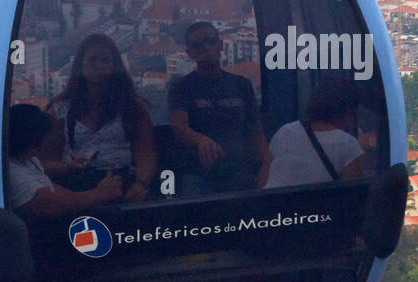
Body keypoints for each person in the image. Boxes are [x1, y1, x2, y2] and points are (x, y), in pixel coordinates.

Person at [44, 33, 156, 203]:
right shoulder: (60, 110)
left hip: (122, 185)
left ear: (115, 66)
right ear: (80, 65)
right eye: (92, 60)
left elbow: (146, 153)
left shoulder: (132, 107)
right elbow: (45, 161)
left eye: (105, 61)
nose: (98, 66)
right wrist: (68, 167)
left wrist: (141, 184)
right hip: (75, 188)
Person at [168, 21, 269, 195]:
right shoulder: (182, 87)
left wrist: (262, 168)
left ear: (220, 45)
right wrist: (200, 140)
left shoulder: (241, 85)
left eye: (211, 41)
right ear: (190, 53)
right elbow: (178, 126)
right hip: (199, 175)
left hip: (239, 173)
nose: (206, 48)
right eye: (198, 45)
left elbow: (255, 131)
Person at [7, 104, 124, 217]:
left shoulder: (29, 161)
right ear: (32, 141)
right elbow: (53, 204)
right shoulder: (12, 172)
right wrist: (101, 194)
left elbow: (53, 190)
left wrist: (70, 167)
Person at [260, 76, 367, 188]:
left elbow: (262, 184)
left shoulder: (285, 132)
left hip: (273, 204)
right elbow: (352, 197)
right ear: (348, 111)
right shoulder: (349, 145)